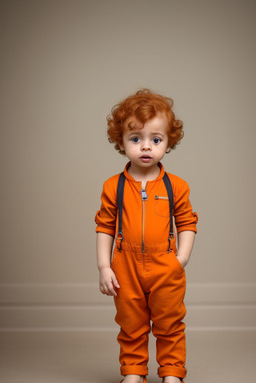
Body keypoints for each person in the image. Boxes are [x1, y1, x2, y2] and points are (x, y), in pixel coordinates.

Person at [95, 89, 198, 383]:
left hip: (165, 264)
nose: (146, 147)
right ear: (121, 141)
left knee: (170, 323)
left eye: (156, 139)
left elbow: (187, 222)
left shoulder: (175, 186)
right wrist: (104, 266)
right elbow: (104, 226)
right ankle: (133, 371)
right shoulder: (113, 186)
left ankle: (172, 373)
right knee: (131, 324)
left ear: (168, 141)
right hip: (125, 265)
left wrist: (181, 258)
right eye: (136, 138)